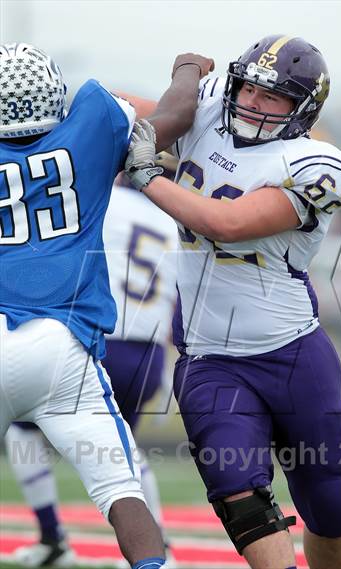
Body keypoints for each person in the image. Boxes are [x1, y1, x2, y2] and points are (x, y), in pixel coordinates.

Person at [121, 35, 341, 569]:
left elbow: (226, 224)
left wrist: (147, 175)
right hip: (210, 358)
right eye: (249, 88)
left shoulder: (318, 164)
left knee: (328, 504)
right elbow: (131, 108)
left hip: (293, 353)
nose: (253, 102)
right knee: (235, 489)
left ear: (303, 109)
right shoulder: (209, 110)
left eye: (272, 97)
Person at [0, 42, 213, 569]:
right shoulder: (91, 124)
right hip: (65, 346)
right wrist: (187, 67)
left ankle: (51, 538)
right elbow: (175, 114)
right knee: (121, 487)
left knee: (34, 449)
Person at [5, 170, 179, 568]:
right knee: (125, 453)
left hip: (92, 336)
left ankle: (52, 537)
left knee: (21, 428)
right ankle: (161, 551)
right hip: (148, 352)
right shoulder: (169, 219)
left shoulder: (93, 196)